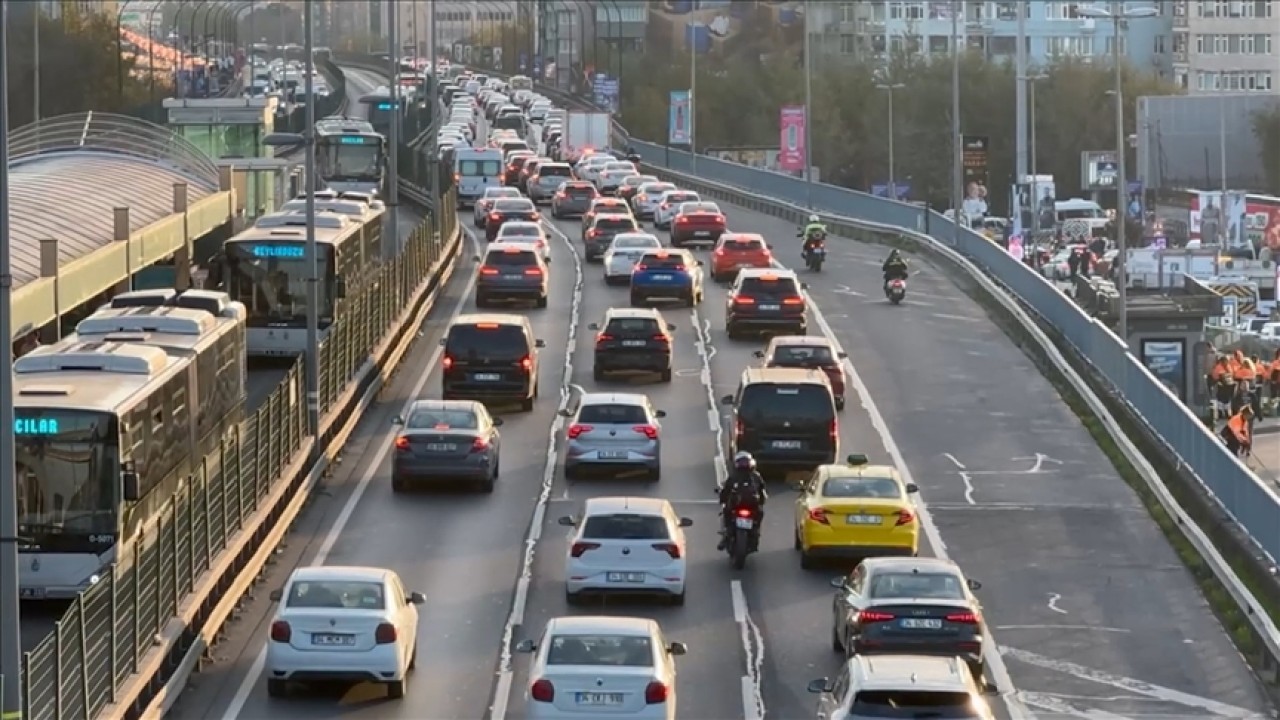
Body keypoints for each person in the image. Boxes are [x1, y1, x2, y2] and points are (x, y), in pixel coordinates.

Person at [717, 452, 767, 551]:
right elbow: (762, 492)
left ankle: (727, 535)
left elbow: (725, 491)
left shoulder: (735, 477)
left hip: (743, 507)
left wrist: (722, 499)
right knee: (759, 513)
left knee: (726, 512)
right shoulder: (756, 476)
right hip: (745, 507)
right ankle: (753, 532)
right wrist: (761, 501)